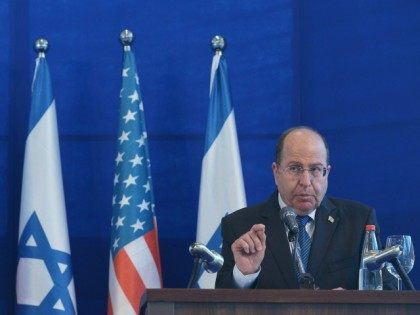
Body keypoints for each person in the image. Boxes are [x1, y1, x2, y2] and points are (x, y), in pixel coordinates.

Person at [215, 126, 394, 290]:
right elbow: (220, 303)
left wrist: (350, 301)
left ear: (327, 173)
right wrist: (244, 275)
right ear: (276, 172)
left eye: (315, 169)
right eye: (295, 168)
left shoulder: (359, 221)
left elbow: (387, 292)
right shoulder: (239, 225)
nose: (306, 182)